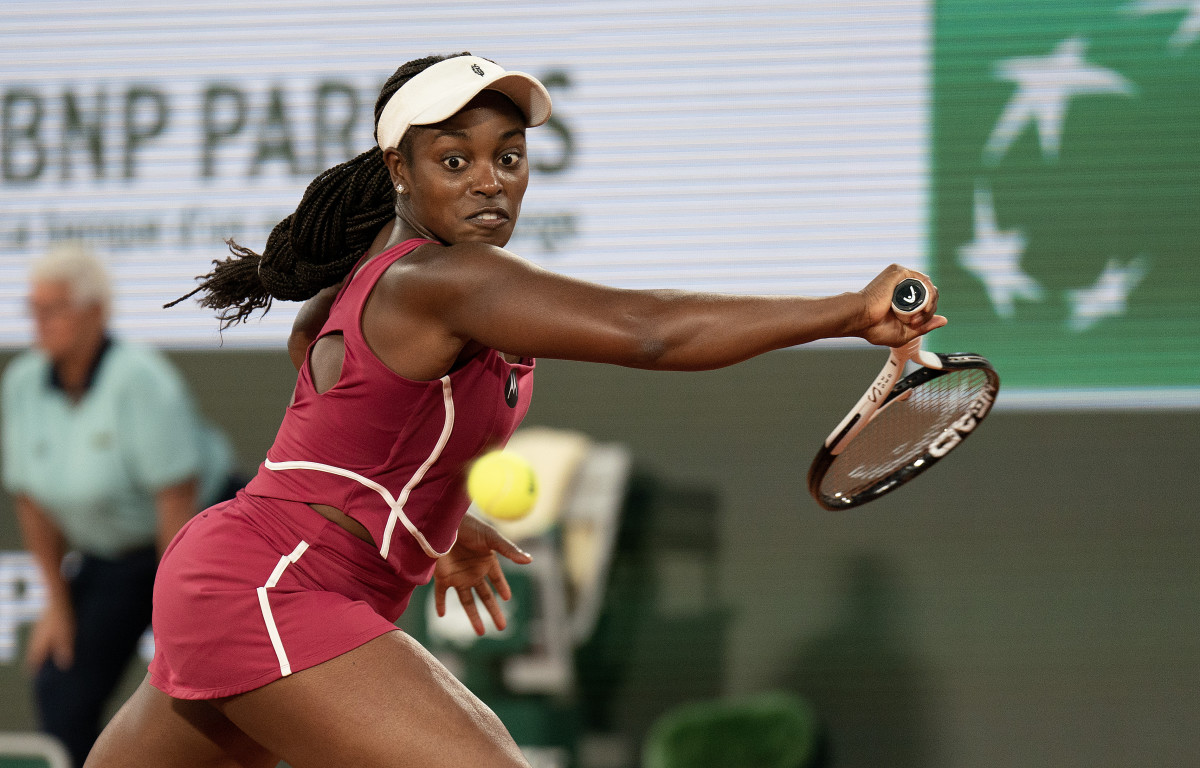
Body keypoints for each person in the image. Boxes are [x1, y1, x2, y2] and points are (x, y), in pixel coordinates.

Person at [85, 52, 946, 768]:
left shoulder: (385, 279)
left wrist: (431, 521)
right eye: (454, 160)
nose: (490, 182)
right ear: (399, 170)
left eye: (509, 156)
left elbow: (333, 378)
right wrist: (848, 311)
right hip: (274, 584)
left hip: (255, 577)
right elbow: (649, 332)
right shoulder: (447, 279)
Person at [1, 241, 237, 768]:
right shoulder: (21, 383)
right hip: (109, 558)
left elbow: (175, 496)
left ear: (95, 312)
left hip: (194, 540)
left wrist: (174, 606)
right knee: (61, 683)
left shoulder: (141, 378)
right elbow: (30, 500)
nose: (39, 321)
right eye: (33, 308)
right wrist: (57, 604)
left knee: (213, 688)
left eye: (54, 308)